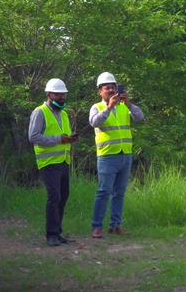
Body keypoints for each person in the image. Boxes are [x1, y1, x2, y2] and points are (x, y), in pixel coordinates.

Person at [88, 72, 145, 239]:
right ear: (100, 91)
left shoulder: (123, 107)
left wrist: (128, 103)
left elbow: (140, 117)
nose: (111, 91)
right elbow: (94, 122)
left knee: (119, 192)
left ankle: (115, 225)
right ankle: (97, 227)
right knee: (104, 191)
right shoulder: (97, 107)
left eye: (113, 87)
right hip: (107, 156)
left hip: (125, 154)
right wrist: (109, 107)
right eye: (107, 88)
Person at [28, 78, 77, 247]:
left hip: (63, 161)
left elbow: (62, 136)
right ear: (49, 94)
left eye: (63, 94)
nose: (62, 97)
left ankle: (58, 232)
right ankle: (51, 234)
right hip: (48, 163)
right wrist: (58, 139)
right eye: (58, 94)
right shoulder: (39, 112)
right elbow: (33, 136)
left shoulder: (63, 114)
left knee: (63, 197)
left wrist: (70, 139)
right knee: (54, 197)